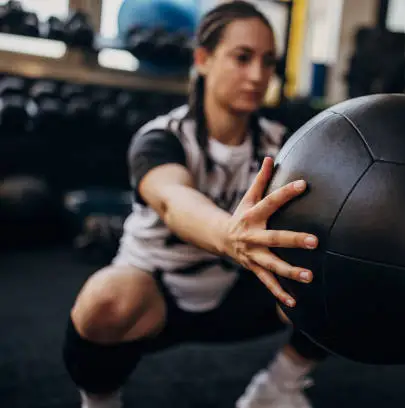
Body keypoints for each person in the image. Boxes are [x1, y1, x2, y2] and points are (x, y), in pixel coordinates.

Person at [62, 2, 329, 407]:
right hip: (157, 296)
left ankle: (278, 389)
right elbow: (173, 200)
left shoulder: (284, 144)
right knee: (105, 297)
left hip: (239, 293)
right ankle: (99, 403)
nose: (258, 75)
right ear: (203, 60)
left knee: (346, 273)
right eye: (242, 58)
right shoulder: (161, 137)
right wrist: (230, 235)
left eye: (267, 61)